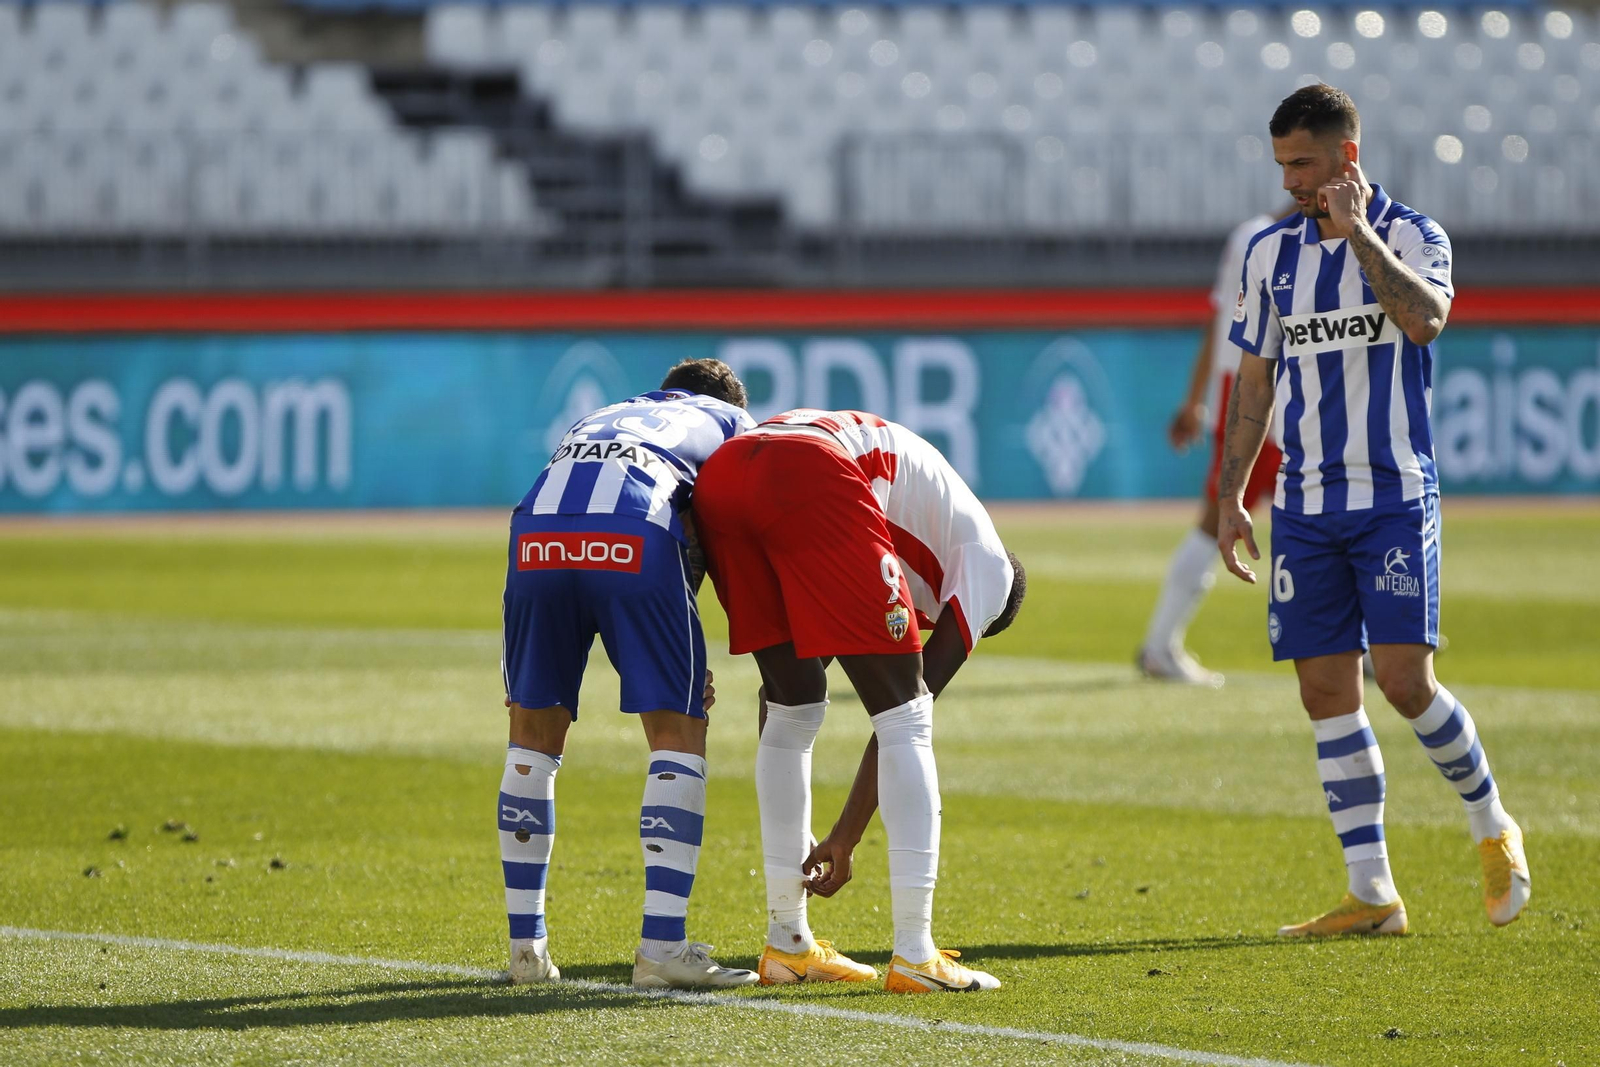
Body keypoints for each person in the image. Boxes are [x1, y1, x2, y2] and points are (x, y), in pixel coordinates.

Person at [1217, 85, 1531, 937]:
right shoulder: (1269, 255)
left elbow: (1425, 320)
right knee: (1325, 688)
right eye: (1281, 164)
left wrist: (1355, 234)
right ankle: (1372, 891)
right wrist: (1233, 495)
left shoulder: (1412, 234)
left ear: (1347, 157)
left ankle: (1491, 823)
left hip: (1393, 493)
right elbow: (1254, 383)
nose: (1289, 181)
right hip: (1307, 502)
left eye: (1304, 164)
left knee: (1402, 680)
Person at [693, 408, 1012, 993]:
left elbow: (782, 694)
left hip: (728, 473)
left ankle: (788, 944)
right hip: (813, 471)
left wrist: (832, 830)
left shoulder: (913, 537)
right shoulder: (991, 572)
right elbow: (906, 714)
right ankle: (917, 955)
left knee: (795, 707)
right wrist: (845, 836)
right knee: (908, 716)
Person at [497, 358, 759, 988]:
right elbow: (718, 525)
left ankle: (525, 951)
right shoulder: (730, 420)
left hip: (535, 534)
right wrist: (688, 646)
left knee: (529, 735)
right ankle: (662, 947)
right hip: (635, 530)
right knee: (678, 732)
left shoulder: (602, 415)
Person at [1138, 206, 1289, 687]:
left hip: (1255, 389)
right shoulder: (1277, 238)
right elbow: (1226, 322)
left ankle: (1361, 644)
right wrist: (1196, 399)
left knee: (1310, 516)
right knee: (1220, 518)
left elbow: (1217, 320)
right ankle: (1159, 645)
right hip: (1264, 391)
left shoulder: (1249, 233)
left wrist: (1194, 399)